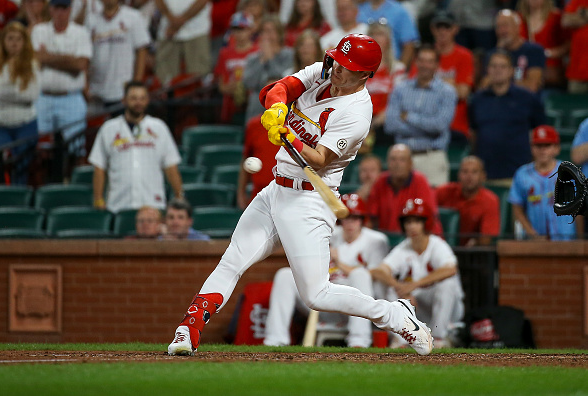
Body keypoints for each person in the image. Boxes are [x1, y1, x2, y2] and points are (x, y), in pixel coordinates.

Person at [167, 34, 433, 357]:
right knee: (233, 259)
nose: (337, 69)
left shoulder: (357, 114)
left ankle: (393, 314)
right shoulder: (325, 71)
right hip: (275, 189)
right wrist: (278, 109)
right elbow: (279, 88)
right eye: (338, 59)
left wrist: (287, 135)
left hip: (309, 202)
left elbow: (319, 159)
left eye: (347, 66)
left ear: (365, 75)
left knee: (316, 294)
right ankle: (188, 329)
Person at [264, 194, 390, 348]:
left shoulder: (375, 240)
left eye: (356, 218)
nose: (351, 222)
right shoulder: (329, 233)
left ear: (363, 220)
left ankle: (359, 341)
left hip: (355, 307)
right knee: (285, 275)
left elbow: (375, 274)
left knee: (360, 274)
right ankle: (275, 341)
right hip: (324, 300)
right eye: (347, 217)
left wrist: (340, 263)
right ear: (340, 219)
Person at [371, 198, 465, 348]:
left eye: (417, 221)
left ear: (426, 223)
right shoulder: (403, 248)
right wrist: (400, 287)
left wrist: (414, 285)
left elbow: (450, 269)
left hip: (447, 310)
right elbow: (378, 271)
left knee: (447, 284)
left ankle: (439, 338)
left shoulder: (437, 245)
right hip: (418, 306)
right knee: (385, 285)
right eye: (408, 222)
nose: (412, 226)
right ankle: (400, 339)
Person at [88, 81, 183, 213]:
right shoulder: (109, 129)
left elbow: (170, 166)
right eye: (133, 98)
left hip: (152, 204)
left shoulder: (159, 127)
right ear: (124, 100)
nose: (138, 102)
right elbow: (99, 167)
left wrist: (179, 196)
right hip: (118, 204)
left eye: (142, 98)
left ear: (147, 100)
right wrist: (98, 199)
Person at [384, 44, 457, 187]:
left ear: (436, 65)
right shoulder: (400, 89)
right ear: (416, 62)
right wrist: (425, 128)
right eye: (422, 60)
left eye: (429, 61)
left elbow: (439, 126)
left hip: (431, 158)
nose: (425, 65)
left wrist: (409, 117)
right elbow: (391, 125)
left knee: (432, 206)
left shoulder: (447, 92)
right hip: (401, 158)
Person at [469, 50, 545, 184]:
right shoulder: (477, 100)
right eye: (493, 66)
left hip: (518, 173)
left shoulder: (527, 98)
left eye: (503, 66)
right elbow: (474, 134)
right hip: (484, 175)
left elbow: (539, 131)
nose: (498, 70)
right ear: (487, 70)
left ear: (511, 71)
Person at [31, 0, 92, 164]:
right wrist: (68, 60)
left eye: (64, 8)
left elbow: (80, 65)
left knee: (76, 149)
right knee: (42, 151)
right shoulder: (39, 30)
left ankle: (76, 188)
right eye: (57, 8)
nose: (60, 12)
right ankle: (44, 188)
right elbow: (37, 58)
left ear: (70, 10)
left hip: (71, 97)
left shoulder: (80, 32)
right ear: (50, 9)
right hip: (44, 97)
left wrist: (48, 57)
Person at [409, 10, 474, 147]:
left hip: (455, 127)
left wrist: (430, 81)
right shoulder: (424, 55)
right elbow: (413, 87)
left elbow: (462, 92)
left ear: (455, 29)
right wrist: (449, 83)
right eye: (438, 27)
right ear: (432, 29)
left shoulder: (464, 56)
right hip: (422, 125)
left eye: (447, 27)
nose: (442, 31)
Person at [509, 125, 577, 240]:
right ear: (532, 148)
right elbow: (517, 209)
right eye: (538, 145)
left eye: (547, 145)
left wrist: (579, 239)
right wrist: (532, 234)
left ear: (557, 148)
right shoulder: (522, 174)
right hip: (535, 241)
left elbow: (579, 208)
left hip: (567, 239)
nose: (543, 150)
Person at [0, 22, 40, 185]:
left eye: (18, 39)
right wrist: (15, 91)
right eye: (10, 38)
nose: (14, 43)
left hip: (25, 122)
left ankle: (20, 202)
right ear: (3, 41)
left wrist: (3, 92)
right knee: (1, 165)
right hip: (0, 123)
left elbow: (31, 94)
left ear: (24, 42)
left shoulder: (32, 65)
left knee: (22, 167)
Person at [86, 0, 150, 109]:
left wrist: (136, 84)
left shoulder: (133, 17)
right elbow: (85, 56)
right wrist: (86, 86)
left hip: (123, 89)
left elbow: (141, 51)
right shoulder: (91, 20)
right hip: (97, 91)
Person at [368, 144, 442, 235]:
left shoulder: (420, 181)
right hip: (386, 240)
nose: (397, 164)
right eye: (393, 159)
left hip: (414, 239)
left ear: (410, 163)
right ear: (387, 162)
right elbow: (371, 217)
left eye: (402, 160)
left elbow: (429, 218)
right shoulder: (380, 181)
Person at [436, 156, 500, 246]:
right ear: (458, 175)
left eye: (474, 172)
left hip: (473, 254)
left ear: (483, 176)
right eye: (465, 172)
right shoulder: (444, 192)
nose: (469, 177)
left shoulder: (490, 200)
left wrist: (476, 242)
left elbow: (487, 239)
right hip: (442, 248)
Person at [242, 14, 294, 123]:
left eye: (271, 31)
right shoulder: (253, 58)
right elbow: (248, 83)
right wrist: (262, 61)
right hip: (256, 112)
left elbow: (283, 81)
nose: (266, 36)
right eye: (263, 32)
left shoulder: (290, 55)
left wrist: (270, 58)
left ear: (280, 34)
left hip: (281, 112)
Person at [364, 22, 405, 151]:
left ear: (388, 40)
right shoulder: (359, 70)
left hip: (385, 122)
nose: (376, 38)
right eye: (372, 34)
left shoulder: (398, 69)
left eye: (380, 34)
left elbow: (399, 101)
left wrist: (384, 115)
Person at [483, 9, 546, 94]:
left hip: (524, 102)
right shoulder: (492, 54)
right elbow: (483, 87)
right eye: (498, 27)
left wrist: (500, 83)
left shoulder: (534, 50)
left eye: (506, 25)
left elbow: (532, 86)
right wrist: (499, 51)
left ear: (518, 27)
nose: (502, 31)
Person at [213, 12, 257, 124]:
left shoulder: (258, 51)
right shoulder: (225, 53)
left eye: (242, 29)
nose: (239, 33)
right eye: (235, 29)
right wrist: (236, 88)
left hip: (252, 103)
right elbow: (221, 86)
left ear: (251, 29)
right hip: (230, 105)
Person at [154, 0, 212, 84]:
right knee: (165, 77)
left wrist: (178, 22)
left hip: (196, 30)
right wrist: (171, 19)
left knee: (199, 76)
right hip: (167, 30)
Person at [517, 0, 569, 89]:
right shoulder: (517, 19)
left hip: (550, 72)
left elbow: (568, 45)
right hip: (524, 71)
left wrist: (547, 53)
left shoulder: (556, 17)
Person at [357, 0, 420, 67]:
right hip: (363, 64)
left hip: (391, 64)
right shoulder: (359, 10)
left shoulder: (399, 11)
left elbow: (409, 43)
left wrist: (401, 69)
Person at [236, 113, 279, 208]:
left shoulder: (298, 127)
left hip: (288, 197)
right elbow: (246, 159)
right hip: (259, 197)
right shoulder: (254, 125)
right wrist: (241, 194)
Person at [561, 0, 588, 93]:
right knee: (576, 106)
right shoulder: (579, 1)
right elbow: (565, 21)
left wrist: (584, 14)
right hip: (578, 71)